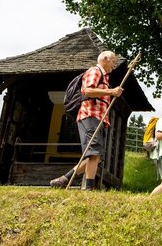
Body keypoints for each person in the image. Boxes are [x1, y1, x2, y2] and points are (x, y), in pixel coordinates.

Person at [50, 50, 123, 190]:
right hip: (90, 115)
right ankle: (88, 189)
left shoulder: (105, 77)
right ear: (105, 59)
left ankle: (64, 179)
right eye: (113, 61)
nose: (115, 65)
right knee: (94, 153)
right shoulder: (95, 71)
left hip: (100, 118)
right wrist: (111, 91)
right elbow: (88, 91)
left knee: (97, 155)